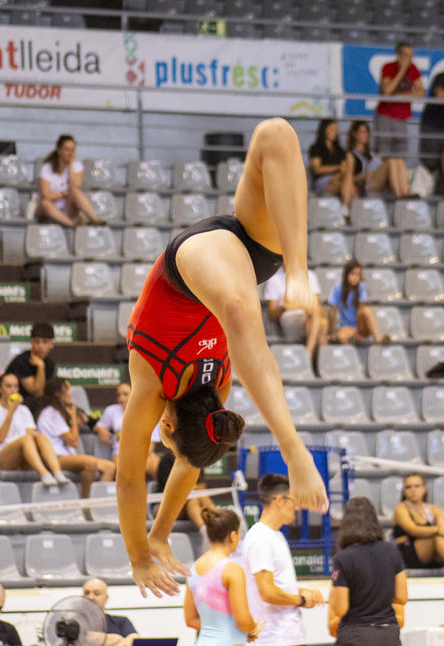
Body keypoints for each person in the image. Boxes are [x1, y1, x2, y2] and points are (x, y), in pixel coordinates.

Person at [118, 118, 330, 598]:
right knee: (275, 135)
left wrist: (145, 552)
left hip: (197, 262)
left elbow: (132, 479)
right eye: (169, 446)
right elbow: (152, 473)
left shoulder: (153, 384)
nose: (167, 448)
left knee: (238, 311)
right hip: (248, 259)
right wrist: (146, 542)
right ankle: (296, 272)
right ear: (168, 428)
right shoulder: (213, 393)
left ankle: (297, 271)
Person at [242, 474, 324, 646]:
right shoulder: (261, 538)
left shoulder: (275, 536)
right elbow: (267, 592)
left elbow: (277, 584)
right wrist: (302, 600)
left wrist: (304, 590)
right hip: (277, 640)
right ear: (279, 500)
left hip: (289, 637)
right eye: (293, 502)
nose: (296, 508)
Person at [328, 497, 407, 646]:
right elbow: (402, 596)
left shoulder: (342, 558)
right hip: (388, 635)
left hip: (355, 636)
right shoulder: (391, 551)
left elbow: (340, 608)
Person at [184, 507, 260, 646]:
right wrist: (253, 628)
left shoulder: (193, 569)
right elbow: (242, 621)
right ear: (233, 536)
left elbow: (190, 619)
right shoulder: (232, 569)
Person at [0, 373, 69, 486]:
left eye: (15, 386)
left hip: (24, 454)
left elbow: (31, 434)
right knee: (25, 439)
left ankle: (57, 472)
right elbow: (0, 437)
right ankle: (44, 473)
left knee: (40, 436)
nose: (13, 390)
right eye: (9, 386)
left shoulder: (24, 410)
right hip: (0, 457)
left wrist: (37, 437)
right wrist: (11, 411)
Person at [36, 377, 115, 497]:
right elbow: (73, 441)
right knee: (90, 463)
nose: (71, 392)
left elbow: (90, 421)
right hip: (55, 458)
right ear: (57, 393)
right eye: (67, 388)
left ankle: (96, 505)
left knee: (110, 467)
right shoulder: (51, 413)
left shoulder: (64, 412)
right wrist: (73, 417)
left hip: (68, 456)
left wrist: (95, 427)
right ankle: (85, 503)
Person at [37, 134, 102, 227]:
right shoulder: (46, 168)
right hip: (50, 208)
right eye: (67, 150)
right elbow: (46, 195)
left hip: (68, 207)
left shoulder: (77, 166)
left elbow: (75, 188)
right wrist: (63, 194)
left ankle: (94, 219)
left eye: (73, 150)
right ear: (59, 150)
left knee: (76, 192)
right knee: (45, 203)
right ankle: (72, 225)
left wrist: (71, 165)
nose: (70, 153)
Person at [374, 41, 423, 159]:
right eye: (407, 55)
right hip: (385, 115)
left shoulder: (413, 69)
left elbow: (420, 93)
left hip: (402, 118)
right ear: (398, 55)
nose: (410, 59)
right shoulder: (388, 67)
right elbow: (387, 91)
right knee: (383, 153)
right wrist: (402, 70)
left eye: (411, 55)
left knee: (401, 155)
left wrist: (398, 97)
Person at [265, 266, 327, 357]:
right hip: (289, 317)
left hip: (308, 314)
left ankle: (308, 353)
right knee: (322, 325)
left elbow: (316, 305)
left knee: (319, 320)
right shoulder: (274, 279)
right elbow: (271, 314)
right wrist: (286, 306)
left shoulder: (310, 275)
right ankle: (320, 364)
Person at [345, 120, 410, 203]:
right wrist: (363, 176)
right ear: (354, 134)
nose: (365, 135)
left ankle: (405, 194)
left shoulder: (371, 153)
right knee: (390, 162)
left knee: (399, 161)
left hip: (376, 178)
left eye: (366, 132)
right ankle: (400, 198)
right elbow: (348, 178)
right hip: (366, 183)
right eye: (362, 132)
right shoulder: (351, 155)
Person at [3, 322, 59, 415]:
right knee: (36, 401)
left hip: (32, 405)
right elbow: (36, 392)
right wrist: (40, 367)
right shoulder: (21, 361)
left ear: (51, 344)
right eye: (37, 341)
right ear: (31, 342)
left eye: (45, 342)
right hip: (14, 402)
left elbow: (44, 392)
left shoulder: (50, 364)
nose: (40, 346)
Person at [328, 260, 387, 345]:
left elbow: (360, 310)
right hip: (346, 327)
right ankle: (351, 355)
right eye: (352, 274)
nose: (355, 277)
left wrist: (358, 332)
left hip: (360, 326)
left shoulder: (362, 287)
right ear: (346, 274)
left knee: (366, 310)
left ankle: (378, 339)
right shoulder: (337, 288)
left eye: (358, 275)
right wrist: (329, 333)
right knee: (341, 337)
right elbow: (332, 313)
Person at [82, 578, 140, 646]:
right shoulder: (73, 623)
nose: (91, 597)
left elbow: (134, 639)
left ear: (106, 598)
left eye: (96, 593)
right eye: (87, 593)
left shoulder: (122, 622)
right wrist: (117, 639)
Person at [308, 118, 349, 198]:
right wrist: (337, 168)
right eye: (332, 130)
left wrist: (339, 172)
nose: (335, 133)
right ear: (324, 130)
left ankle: (345, 206)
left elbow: (344, 167)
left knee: (347, 182)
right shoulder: (316, 148)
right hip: (322, 180)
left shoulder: (340, 149)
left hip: (339, 178)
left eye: (336, 130)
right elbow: (317, 169)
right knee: (339, 182)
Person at [94, 383, 130, 460]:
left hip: (144, 454)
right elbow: (97, 427)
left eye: (125, 394)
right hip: (120, 453)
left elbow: (151, 446)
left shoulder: (145, 411)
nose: (121, 399)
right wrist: (101, 430)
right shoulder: (111, 410)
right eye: (118, 395)